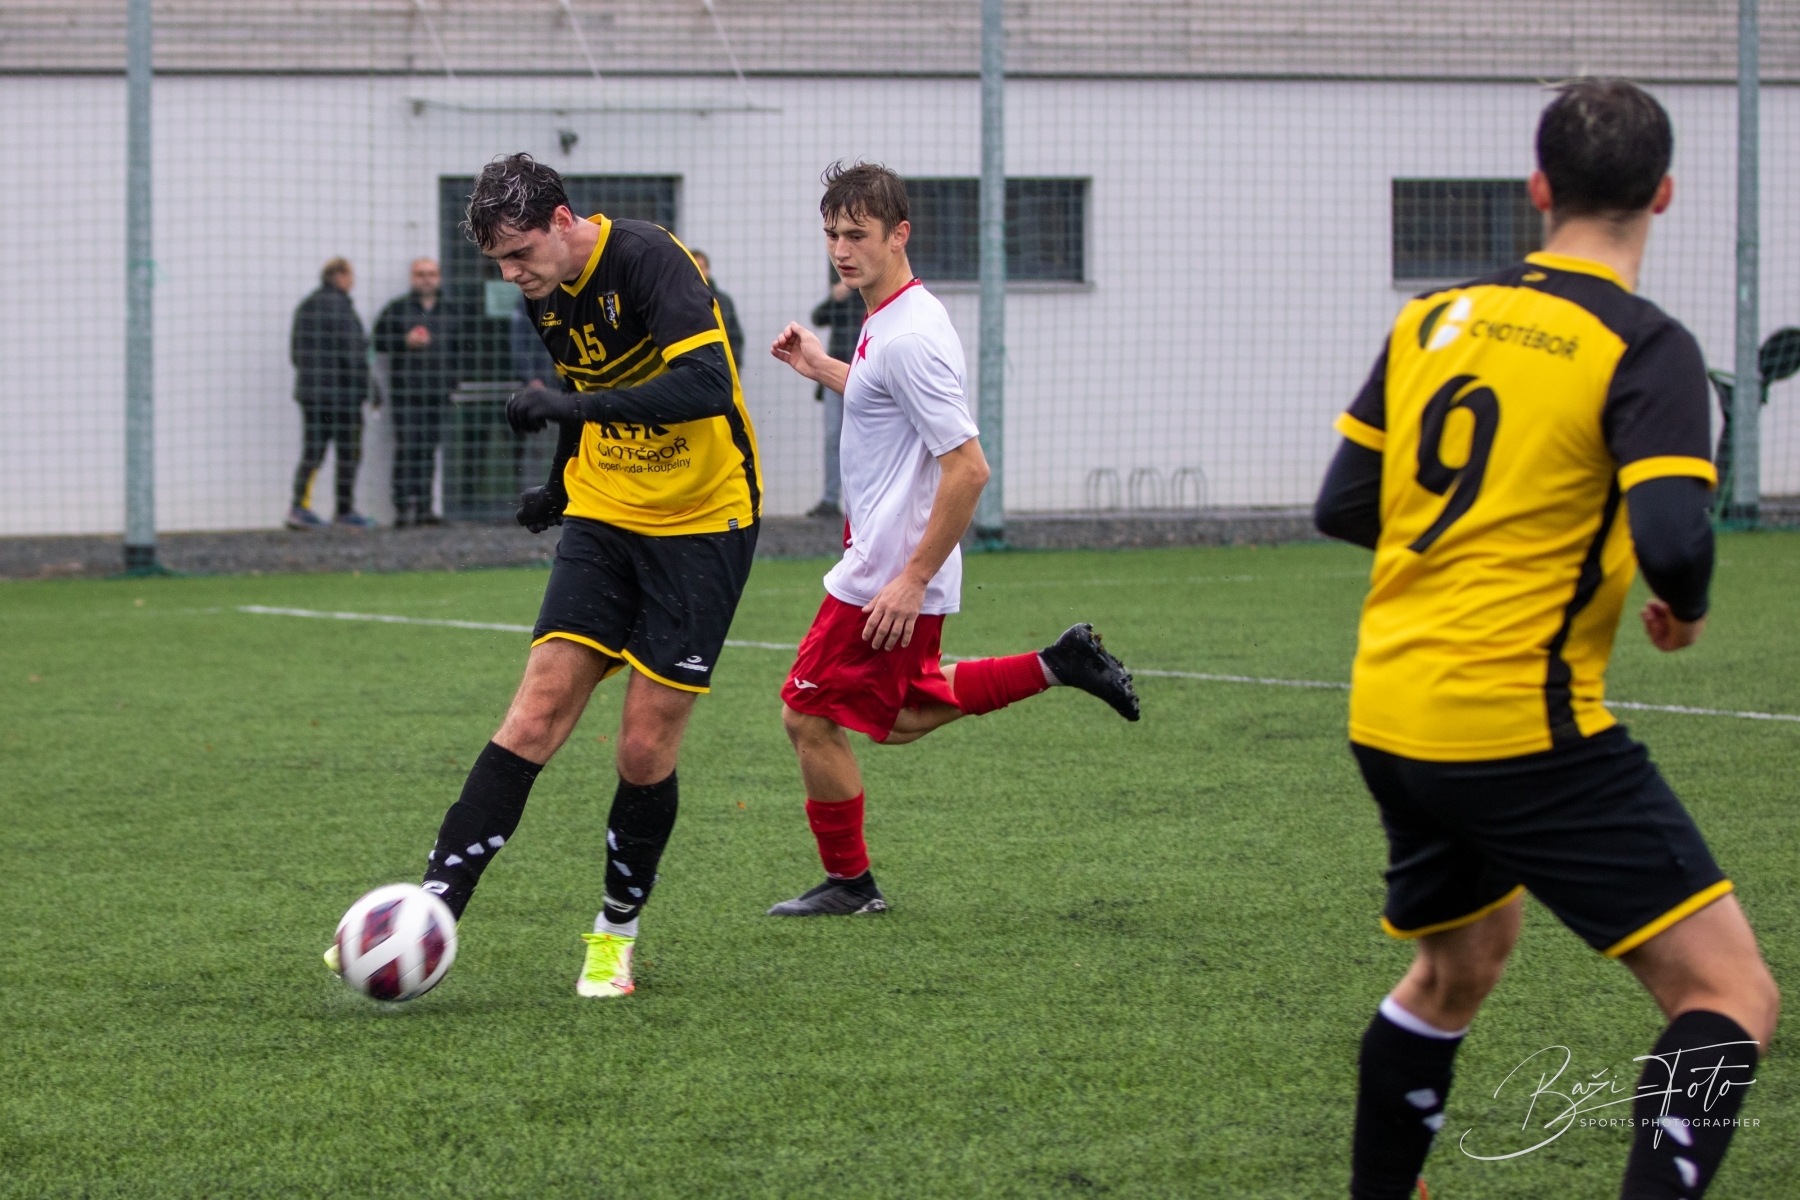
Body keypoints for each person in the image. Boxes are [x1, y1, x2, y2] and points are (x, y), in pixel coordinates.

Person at [1312, 80, 1778, 1200]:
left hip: (1391, 711)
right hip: (1520, 722)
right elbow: (1675, 538)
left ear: (1537, 189)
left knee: (1454, 970)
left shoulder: (1433, 319)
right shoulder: (1643, 345)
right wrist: (1687, 605)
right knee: (1728, 994)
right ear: (1664, 194)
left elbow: (1345, 503)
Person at [323, 153, 759, 1001]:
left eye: (520, 253)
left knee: (642, 747)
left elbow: (706, 385)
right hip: (605, 513)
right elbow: (580, 383)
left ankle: (614, 935)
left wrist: (574, 410)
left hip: (703, 522)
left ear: (563, 221)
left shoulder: (648, 258)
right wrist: (561, 483)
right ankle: (430, 913)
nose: (513, 274)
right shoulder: (545, 288)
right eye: (499, 262)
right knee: (533, 714)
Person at [765, 162, 1140, 917]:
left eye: (858, 235)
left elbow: (969, 469)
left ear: (899, 234)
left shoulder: (907, 337)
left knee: (807, 713)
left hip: (887, 566)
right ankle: (1058, 663)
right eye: (833, 234)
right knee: (901, 711)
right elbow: (887, 400)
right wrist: (822, 366)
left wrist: (910, 578)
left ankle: (851, 884)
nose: (841, 250)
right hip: (895, 556)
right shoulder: (897, 314)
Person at [287, 258, 373, 528]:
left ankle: (299, 507)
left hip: (312, 396)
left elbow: (295, 354)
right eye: (351, 276)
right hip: (343, 397)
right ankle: (344, 510)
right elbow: (353, 354)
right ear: (341, 276)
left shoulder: (306, 307)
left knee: (313, 452)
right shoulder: (342, 308)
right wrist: (368, 388)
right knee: (349, 453)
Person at [373, 258, 456, 526]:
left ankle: (424, 508)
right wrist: (403, 341)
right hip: (406, 393)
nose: (426, 279)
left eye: (431, 273)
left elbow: (463, 350)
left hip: (438, 393)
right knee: (407, 448)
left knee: (428, 450)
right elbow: (377, 341)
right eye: (420, 274)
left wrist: (454, 382)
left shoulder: (450, 311)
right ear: (412, 278)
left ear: (439, 277)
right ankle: (402, 508)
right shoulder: (397, 309)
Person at [806, 268, 864, 518]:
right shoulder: (843, 297)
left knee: (865, 439)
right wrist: (834, 298)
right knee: (834, 437)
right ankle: (830, 500)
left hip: (866, 378)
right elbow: (818, 318)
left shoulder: (873, 297)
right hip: (834, 377)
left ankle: (862, 501)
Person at [690, 251, 745, 367]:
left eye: (700, 267)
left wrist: (732, 365)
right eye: (693, 268)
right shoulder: (679, 301)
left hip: (721, 367)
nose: (698, 272)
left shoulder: (723, 301)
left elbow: (735, 337)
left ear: (707, 270)